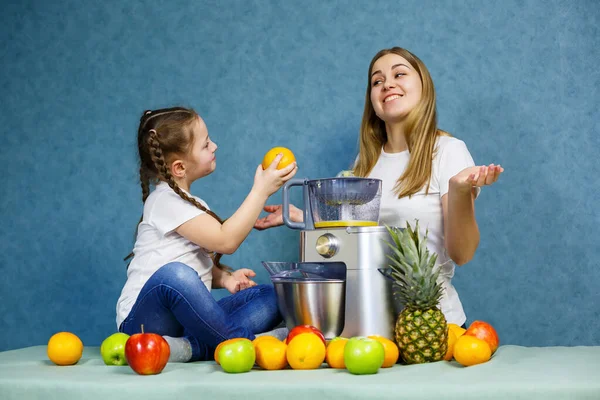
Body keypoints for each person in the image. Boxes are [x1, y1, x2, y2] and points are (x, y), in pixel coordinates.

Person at [254, 47, 504, 328]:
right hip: (370, 325)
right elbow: (357, 240)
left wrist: (459, 191)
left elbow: (462, 253)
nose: (388, 84)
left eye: (400, 74)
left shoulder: (447, 151)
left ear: (424, 87)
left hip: (432, 326)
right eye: (377, 81)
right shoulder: (366, 163)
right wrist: (304, 217)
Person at [117, 107, 297, 362]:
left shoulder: (191, 202)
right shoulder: (163, 201)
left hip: (185, 325)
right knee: (174, 274)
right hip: (143, 324)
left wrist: (225, 279)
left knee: (268, 296)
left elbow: (191, 259)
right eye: (205, 144)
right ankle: (246, 343)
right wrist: (261, 190)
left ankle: (188, 348)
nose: (215, 146)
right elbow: (226, 241)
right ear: (179, 167)